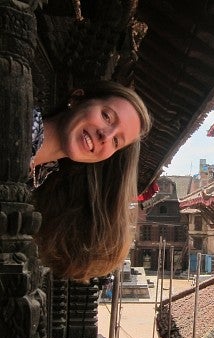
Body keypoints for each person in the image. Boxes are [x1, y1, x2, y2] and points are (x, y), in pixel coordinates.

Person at [31, 80, 152, 282]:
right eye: (107, 116)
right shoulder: (17, 124)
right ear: (77, 99)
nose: (106, 135)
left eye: (116, 141)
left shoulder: (39, 179)